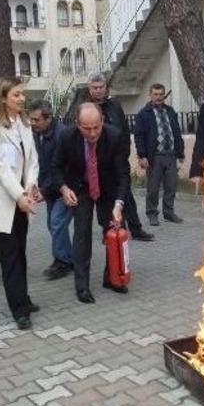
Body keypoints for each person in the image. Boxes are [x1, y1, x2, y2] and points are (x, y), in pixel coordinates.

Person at [0, 77, 42, 330]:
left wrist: (31, 186)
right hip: (3, 199)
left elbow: (32, 158)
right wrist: (20, 196)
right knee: (10, 255)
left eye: (22, 94)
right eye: (16, 95)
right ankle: (19, 309)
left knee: (20, 252)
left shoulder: (23, 122)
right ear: (3, 98)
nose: (22, 99)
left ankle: (23, 297)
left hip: (22, 197)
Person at [51, 103, 130, 304]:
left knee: (113, 232)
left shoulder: (115, 136)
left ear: (102, 121)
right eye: (87, 128)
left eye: (97, 126)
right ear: (77, 124)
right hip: (81, 188)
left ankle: (111, 278)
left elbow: (123, 175)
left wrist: (119, 204)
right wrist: (64, 189)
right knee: (82, 235)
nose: (93, 133)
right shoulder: (67, 137)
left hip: (108, 189)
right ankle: (82, 286)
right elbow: (56, 168)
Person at [86, 72, 155, 241]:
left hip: (119, 159)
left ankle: (136, 229)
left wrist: (126, 151)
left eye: (101, 87)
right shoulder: (86, 108)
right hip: (98, 163)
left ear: (105, 87)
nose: (98, 91)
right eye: (94, 88)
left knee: (127, 195)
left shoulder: (114, 104)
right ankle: (110, 231)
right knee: (104, 200)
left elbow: (124, 129)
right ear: (89, 89)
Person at [28, 99, 73, 280]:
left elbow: (58, 167)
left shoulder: (61, 135)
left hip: (66, 187)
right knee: (54, 225)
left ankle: (63, 262)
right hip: (50, 188)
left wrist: (44, 191)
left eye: (36, 120)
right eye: (31, 119)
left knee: (56, 222)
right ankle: (65, 257)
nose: (32, 123)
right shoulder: (37, 133)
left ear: (49, 118)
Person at [134, 83, 185, 226]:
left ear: (164, 95)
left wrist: (180, 152)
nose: (158, 97)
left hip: (171, 155)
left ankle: (169, 212)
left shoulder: (170, 111)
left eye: (161, 94)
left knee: (171, 186)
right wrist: (142, 156)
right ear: (150, 95)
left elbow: (176, 132)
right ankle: (152, 214)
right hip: (154, 156)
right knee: (153, 188)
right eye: (155, 94)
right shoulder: (144, 114)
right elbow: (139, 136)